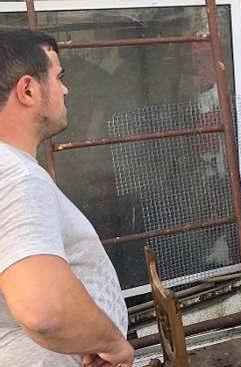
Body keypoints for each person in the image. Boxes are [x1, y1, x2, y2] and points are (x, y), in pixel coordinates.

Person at [0, 29, 132, 367]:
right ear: (27, 90)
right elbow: (44, 308)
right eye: (58, 77)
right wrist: (112, 344)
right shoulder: (17, 176)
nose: (65, 89)